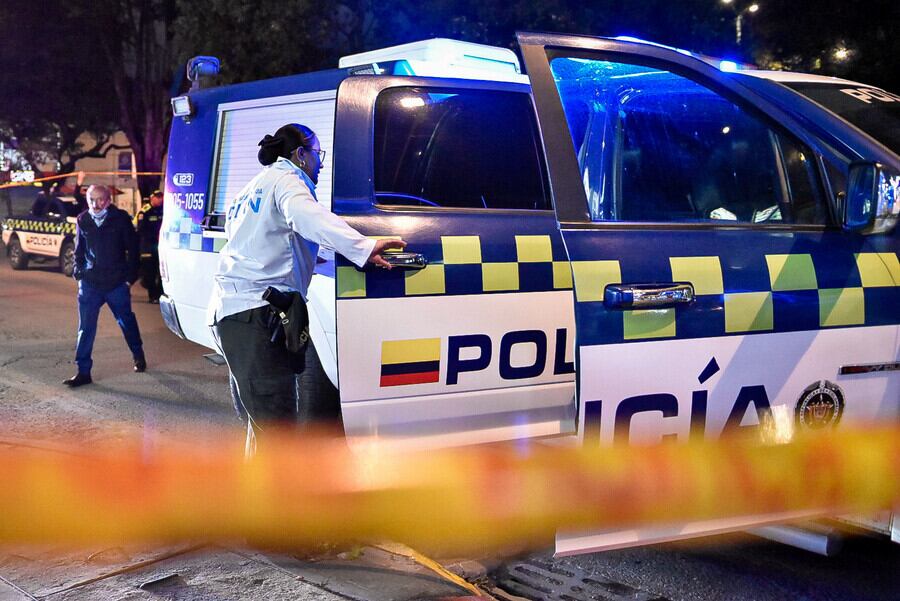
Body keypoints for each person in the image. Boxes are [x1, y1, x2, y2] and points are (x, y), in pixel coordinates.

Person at [207, 123, 405, 449]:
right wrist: (363, 247)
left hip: (235, 314)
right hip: (256, 316)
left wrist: (317, 256)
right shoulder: (288, 181)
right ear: (301, 154)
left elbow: (265, 241)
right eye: (317, 153)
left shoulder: (253, 187)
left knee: (264, 427)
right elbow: (308, 217)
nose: (321, 163)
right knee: (278, 433)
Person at [64, 185, 146, 387]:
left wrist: (129, 279)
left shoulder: (120, 219)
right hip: (90, 284)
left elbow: (133, 250)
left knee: (126, 321)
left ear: (108, 201)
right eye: (91, 199)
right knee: (85, 328)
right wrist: (79, 272)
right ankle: (83, 372)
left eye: (100, 199)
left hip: (116, 283)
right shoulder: (83, 219)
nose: (95, 204)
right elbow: (79, 250)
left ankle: (138, 355)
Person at [135, 189, 164, 303]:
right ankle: (153, 296)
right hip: (148, 245)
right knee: (150, 271)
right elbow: (141, 230)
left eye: (161, 197)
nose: (160, 200)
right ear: (152, 198)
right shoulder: (145, 211)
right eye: (158, 197)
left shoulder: (163, 210)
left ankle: (160, 294)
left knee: (161, 271)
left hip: (160, 245)